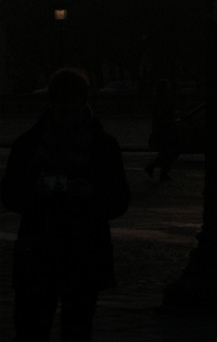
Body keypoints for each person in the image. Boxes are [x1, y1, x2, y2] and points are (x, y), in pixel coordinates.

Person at [1, 67, 131, 342]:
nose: (69, 118)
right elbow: (118, 201)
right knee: (69, 327)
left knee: (39, 327)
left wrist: (38, 193)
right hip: (80, 249)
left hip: (42, 249)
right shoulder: (102, 145)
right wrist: (91, 196)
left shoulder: (30, 143)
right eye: (64, 110)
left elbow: (11, 194)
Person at [145, 79, 180, 182]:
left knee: (166, 152)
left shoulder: (158, 100)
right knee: (170, 152)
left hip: (161, 130)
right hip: (166, 129)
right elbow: (167, 116)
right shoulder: (165, 100)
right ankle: (159, 171)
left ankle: (159, 171)